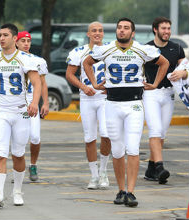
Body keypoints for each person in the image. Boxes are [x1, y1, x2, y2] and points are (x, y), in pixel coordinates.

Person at [83, 17, 169, 207]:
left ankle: (131, 191)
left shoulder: (141, 49)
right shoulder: (106, 49)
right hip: (112, 104)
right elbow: (87, 63)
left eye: (126, 28)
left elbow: (164, 63)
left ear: (133, 32)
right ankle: (121, 189)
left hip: (134, 105)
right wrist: (95, 84)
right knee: (118, 150)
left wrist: (155, 84)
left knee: (133, 148)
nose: (122, 30)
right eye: (119, 28)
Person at [0, 23, 41, 208]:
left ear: (15, 39)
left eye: (6, 35)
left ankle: (17, 191)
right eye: (0, 35)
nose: (2, 38)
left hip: (21, 112)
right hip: (0, 113)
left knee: (18, 154)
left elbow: (36, 83)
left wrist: (34, 103)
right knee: (0, 154)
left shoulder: (25, 60)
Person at [66, 22, 111, 189]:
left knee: (106, 134)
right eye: (94, 31)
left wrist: (111, 87)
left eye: (100, 30)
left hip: (105, 98)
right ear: (88, 34)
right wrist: (84, 87)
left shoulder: (109, 49)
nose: (97, 33)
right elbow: (70, 74)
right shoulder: (79, 52)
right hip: (87, 98)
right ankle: (93, 175)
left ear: (103, 33)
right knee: (89, 137)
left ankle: (104, 171)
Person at [143, 17, 186, 184]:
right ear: (155, 29)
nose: (167, 31)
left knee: (162, 133)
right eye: (163, 28)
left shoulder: (177, 48)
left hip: (168, 94)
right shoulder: (146, 48)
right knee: (155, 130)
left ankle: (150, 169)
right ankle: (160, 167)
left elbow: (186, 68)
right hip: (150, 93)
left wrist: (184, 73)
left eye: (169, 28)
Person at [16, 31, 49, 181]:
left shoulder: (38, 60)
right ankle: (19, 168)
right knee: (18, 139)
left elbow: (42, 83)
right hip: (16, 104)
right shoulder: (12, 59)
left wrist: (46, 103)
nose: (26, 43)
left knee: (35, 137)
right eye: (22, 40)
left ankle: (33, 164)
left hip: (32, 102)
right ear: (16, 42)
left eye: (28, 41)